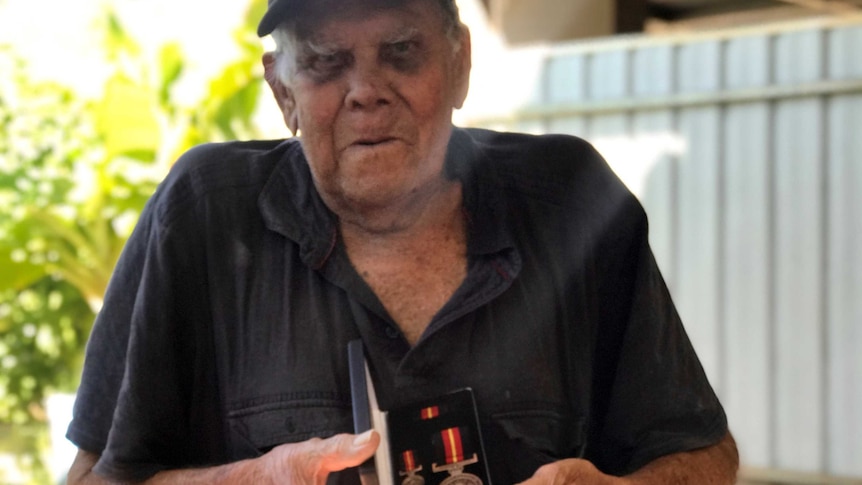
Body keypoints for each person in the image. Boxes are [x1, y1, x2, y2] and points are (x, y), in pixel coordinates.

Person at [66, 0, 739, 483]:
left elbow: (708, 456)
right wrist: (256, 478)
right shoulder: (204, 214)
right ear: (283, 91)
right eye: (327, 62)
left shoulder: (572, 202)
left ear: (459, 63)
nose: (366, 92)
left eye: (401, 52)